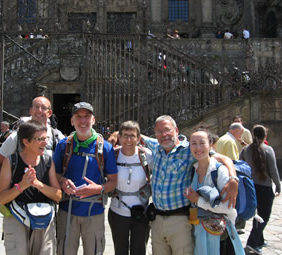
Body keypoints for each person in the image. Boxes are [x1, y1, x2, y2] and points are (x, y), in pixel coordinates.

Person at [137, 115, 238, 255]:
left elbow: (222, 158)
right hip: (157, 220)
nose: (163, 135)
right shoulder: (157, 147)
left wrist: (233, 179)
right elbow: (136, 134)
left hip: (180, 220)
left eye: (167, 130)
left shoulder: (190, 149)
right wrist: (115, 134)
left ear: (176, 130)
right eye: (159, 131)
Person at [53, 102, 117, 255]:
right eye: (78, 117)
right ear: (72, 121)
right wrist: (62, 180)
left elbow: (114, 181)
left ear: (93, 120)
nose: (83, 121)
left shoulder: (105, 148)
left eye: (87, 117)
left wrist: (99, 188)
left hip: (94, 211)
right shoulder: (63, 145)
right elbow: (53, 174)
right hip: (67, 210)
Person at [0, 120, 62, 255]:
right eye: (40, 139)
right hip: (16, 218)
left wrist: (38, 184)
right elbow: (2, 198)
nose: (45, 143)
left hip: (44, 220)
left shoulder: (48, 161)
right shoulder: (11, 161)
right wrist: (21, 186)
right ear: (26, 142)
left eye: (46, 138)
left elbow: (58, 195)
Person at [184, 126, 244, 255]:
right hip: (199, 232)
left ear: (211, 144)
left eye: (202, 143)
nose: (198, 148)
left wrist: (198, 200)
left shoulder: (219, 171)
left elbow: (228, 208)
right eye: (193, 143)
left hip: (218, 234)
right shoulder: (193, 169)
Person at [0, 96, 64, 186]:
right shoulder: (17, 136)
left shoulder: (57, 137)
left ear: (50, 113)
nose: (39, 110)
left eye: (44, 108)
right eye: (36, 107)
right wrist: (2, 190)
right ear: (30, 111)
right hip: (20, 195)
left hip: (47, 195)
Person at [108, 121, 153, 255]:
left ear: (139, 138)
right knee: (120, 251)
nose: (128, 140)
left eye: (132, 136)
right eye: (125, 136)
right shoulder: (112, 154)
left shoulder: (147, 155)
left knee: (139, 251)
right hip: (117, 211)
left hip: (141, 212)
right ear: (119, 137)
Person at [241, 125, 281, 255]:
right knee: (264, 216)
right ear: (265, 136)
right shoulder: (268, 150)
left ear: (253, 135)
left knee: (258, 215)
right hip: (264, 187)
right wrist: (278, 186)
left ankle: (259, 240)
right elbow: (273, 170)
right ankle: (252, 243)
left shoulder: (245, 149)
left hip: (250, 187)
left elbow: (240, 166)